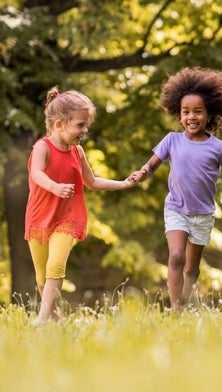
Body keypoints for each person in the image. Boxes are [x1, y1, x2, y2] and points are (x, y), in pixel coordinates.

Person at [131, 67, 222, 312]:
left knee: (191, 267)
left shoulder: (217, 147)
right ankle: (176, 309)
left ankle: (184, 300)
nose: (191, 117)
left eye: (197, 111)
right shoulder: (172, 140)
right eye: (185, 112)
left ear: (209, 114)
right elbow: (152, 164)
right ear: (178, 116)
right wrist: (141, 173)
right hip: (176, 208)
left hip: (202, 214)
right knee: (176, 256)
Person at [25, 87, 140, 324]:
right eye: (80, 125)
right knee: (41, 274)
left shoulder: (77, 151)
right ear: (59, 124)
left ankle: (43, 318)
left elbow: (93, 181)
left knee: (55, 266)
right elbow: (36, 173)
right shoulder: (42, 147)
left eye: (86, 125)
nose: (85, 130)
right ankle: (55, 317)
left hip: (67, 217)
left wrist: (123, 183)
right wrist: (55, 187)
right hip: (39, 216)